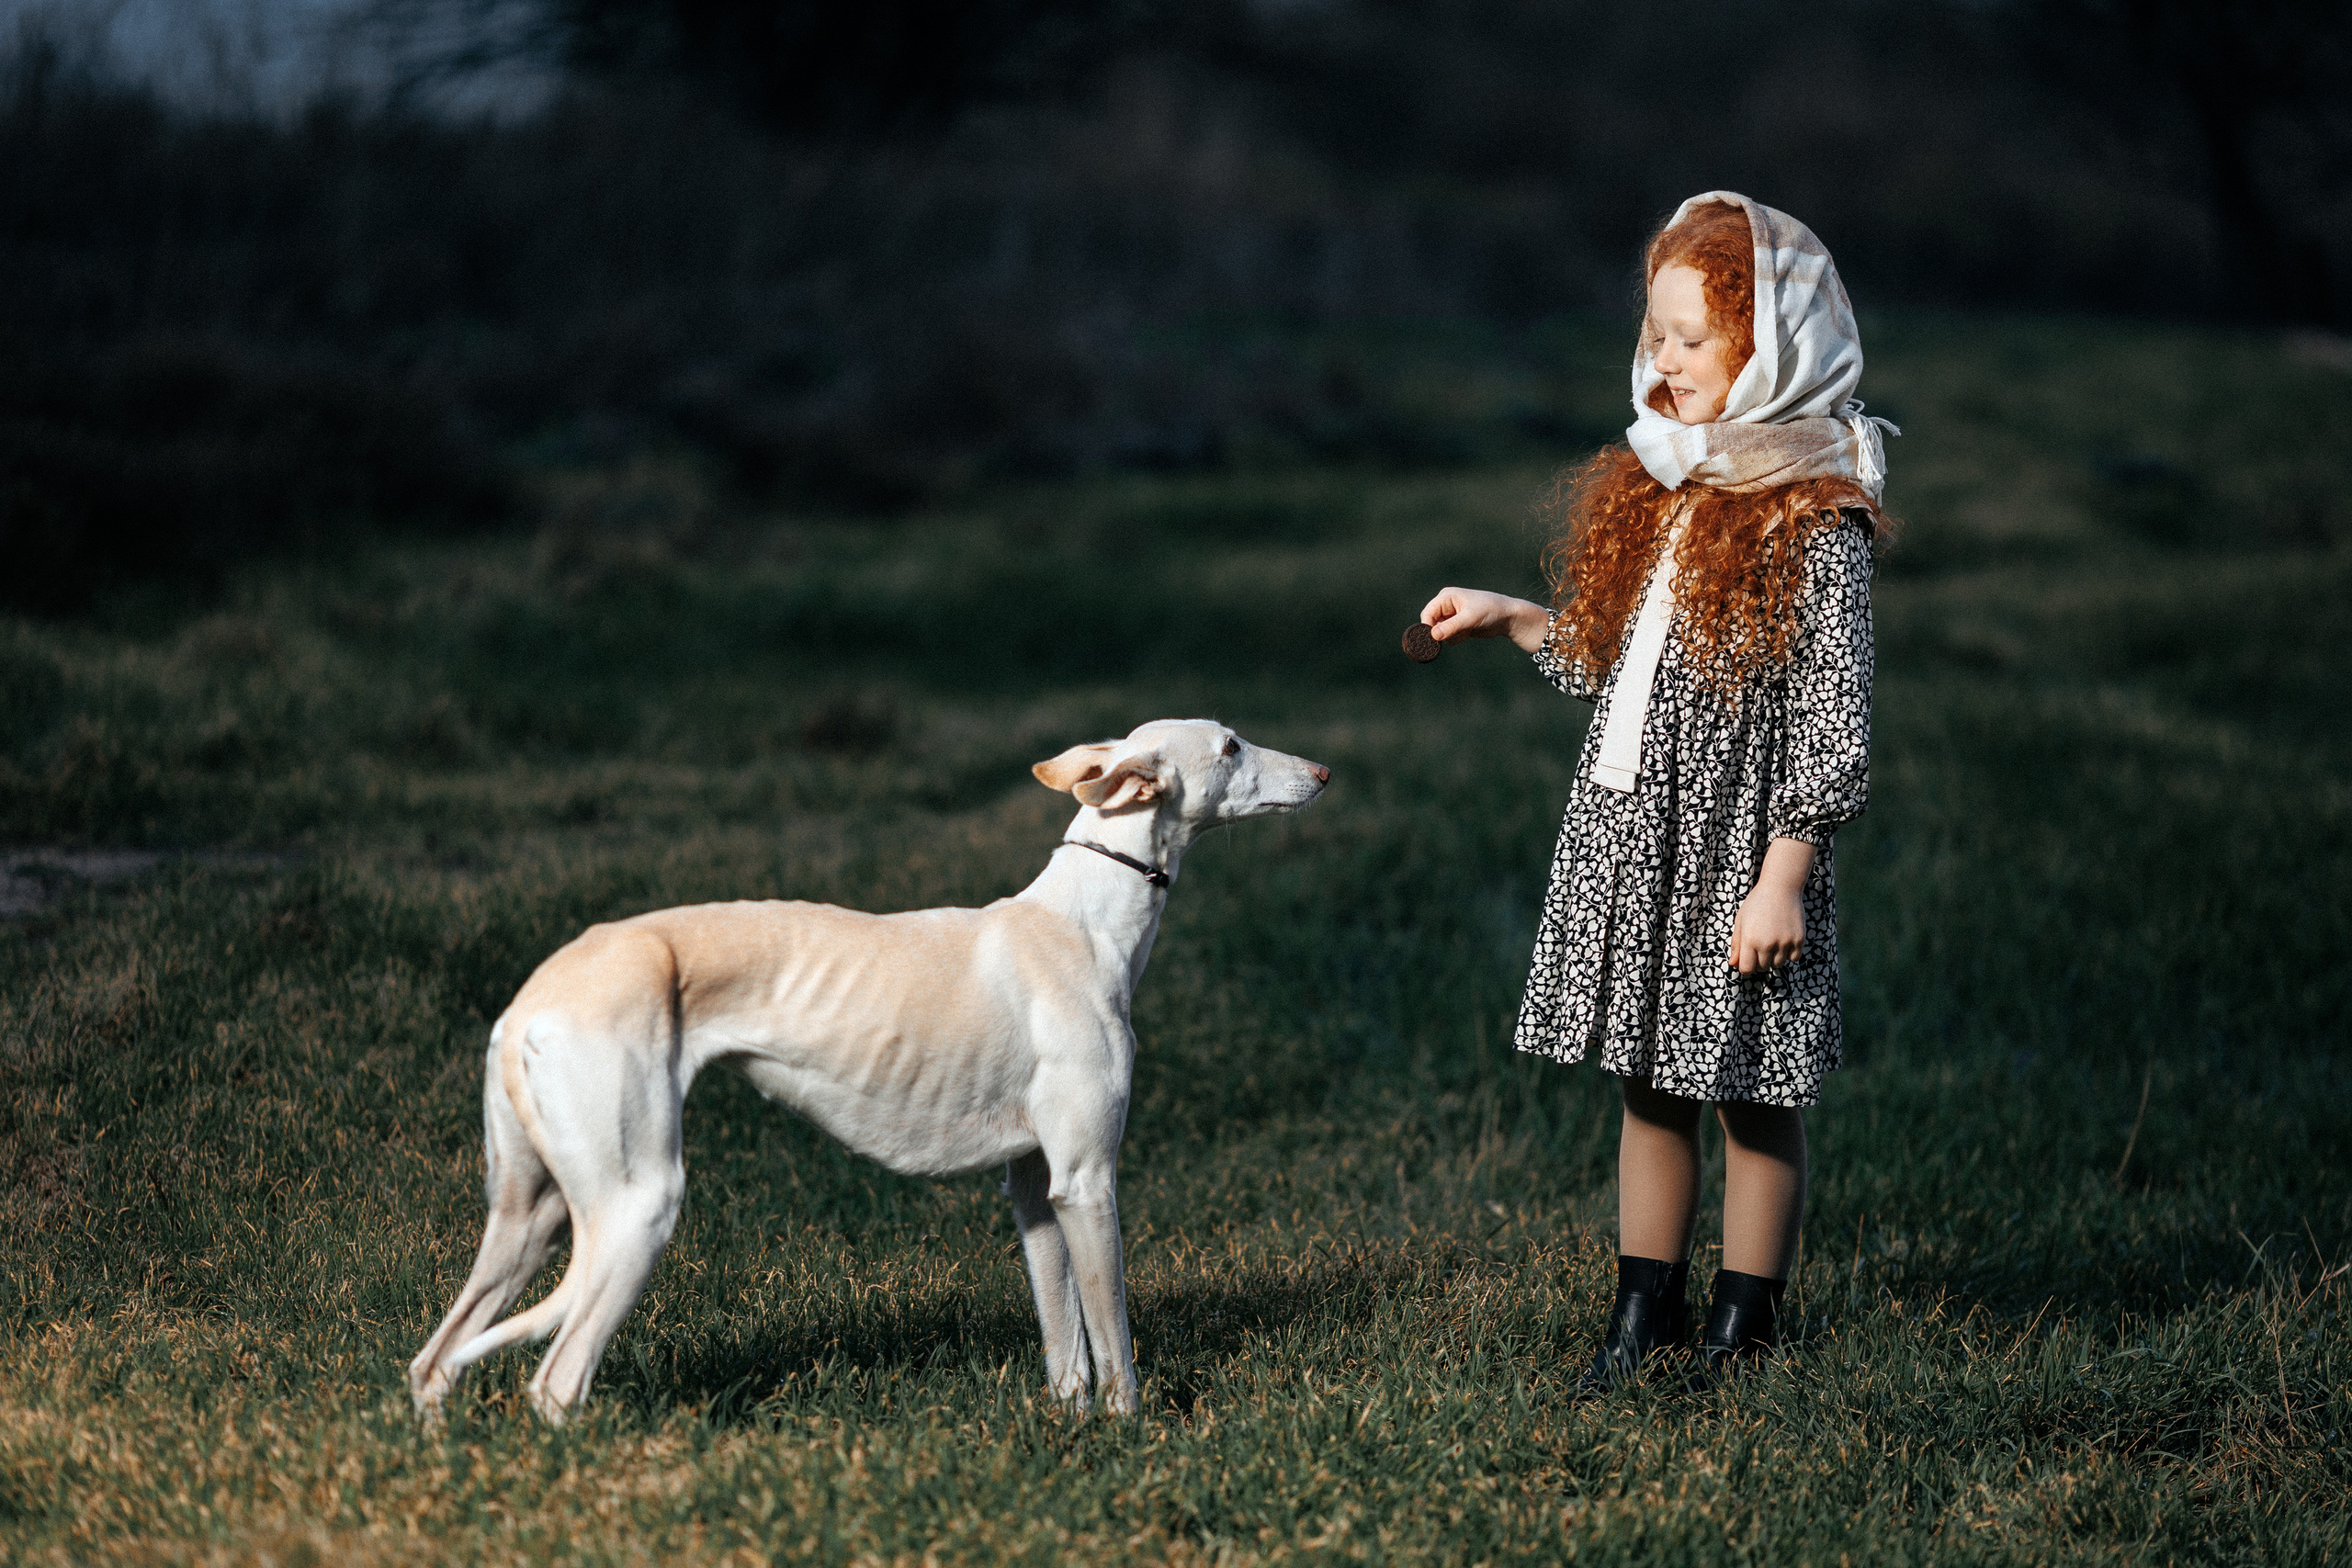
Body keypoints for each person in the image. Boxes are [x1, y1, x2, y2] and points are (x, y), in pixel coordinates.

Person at [1419, 192, 1894, 1393]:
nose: (1666, 360)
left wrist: (1784, 874)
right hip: (1638, 835)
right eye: (1658, 335)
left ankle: (1745, 1327)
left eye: (1696, 339)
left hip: (1741, 852)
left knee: (1750, 1090)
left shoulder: (1811, 512)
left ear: (1772, 347)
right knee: (1650, 1080)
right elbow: (1617, 665)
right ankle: (1644, 1315)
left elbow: (1833, 720)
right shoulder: (1666, 487)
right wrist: (1518, 618)